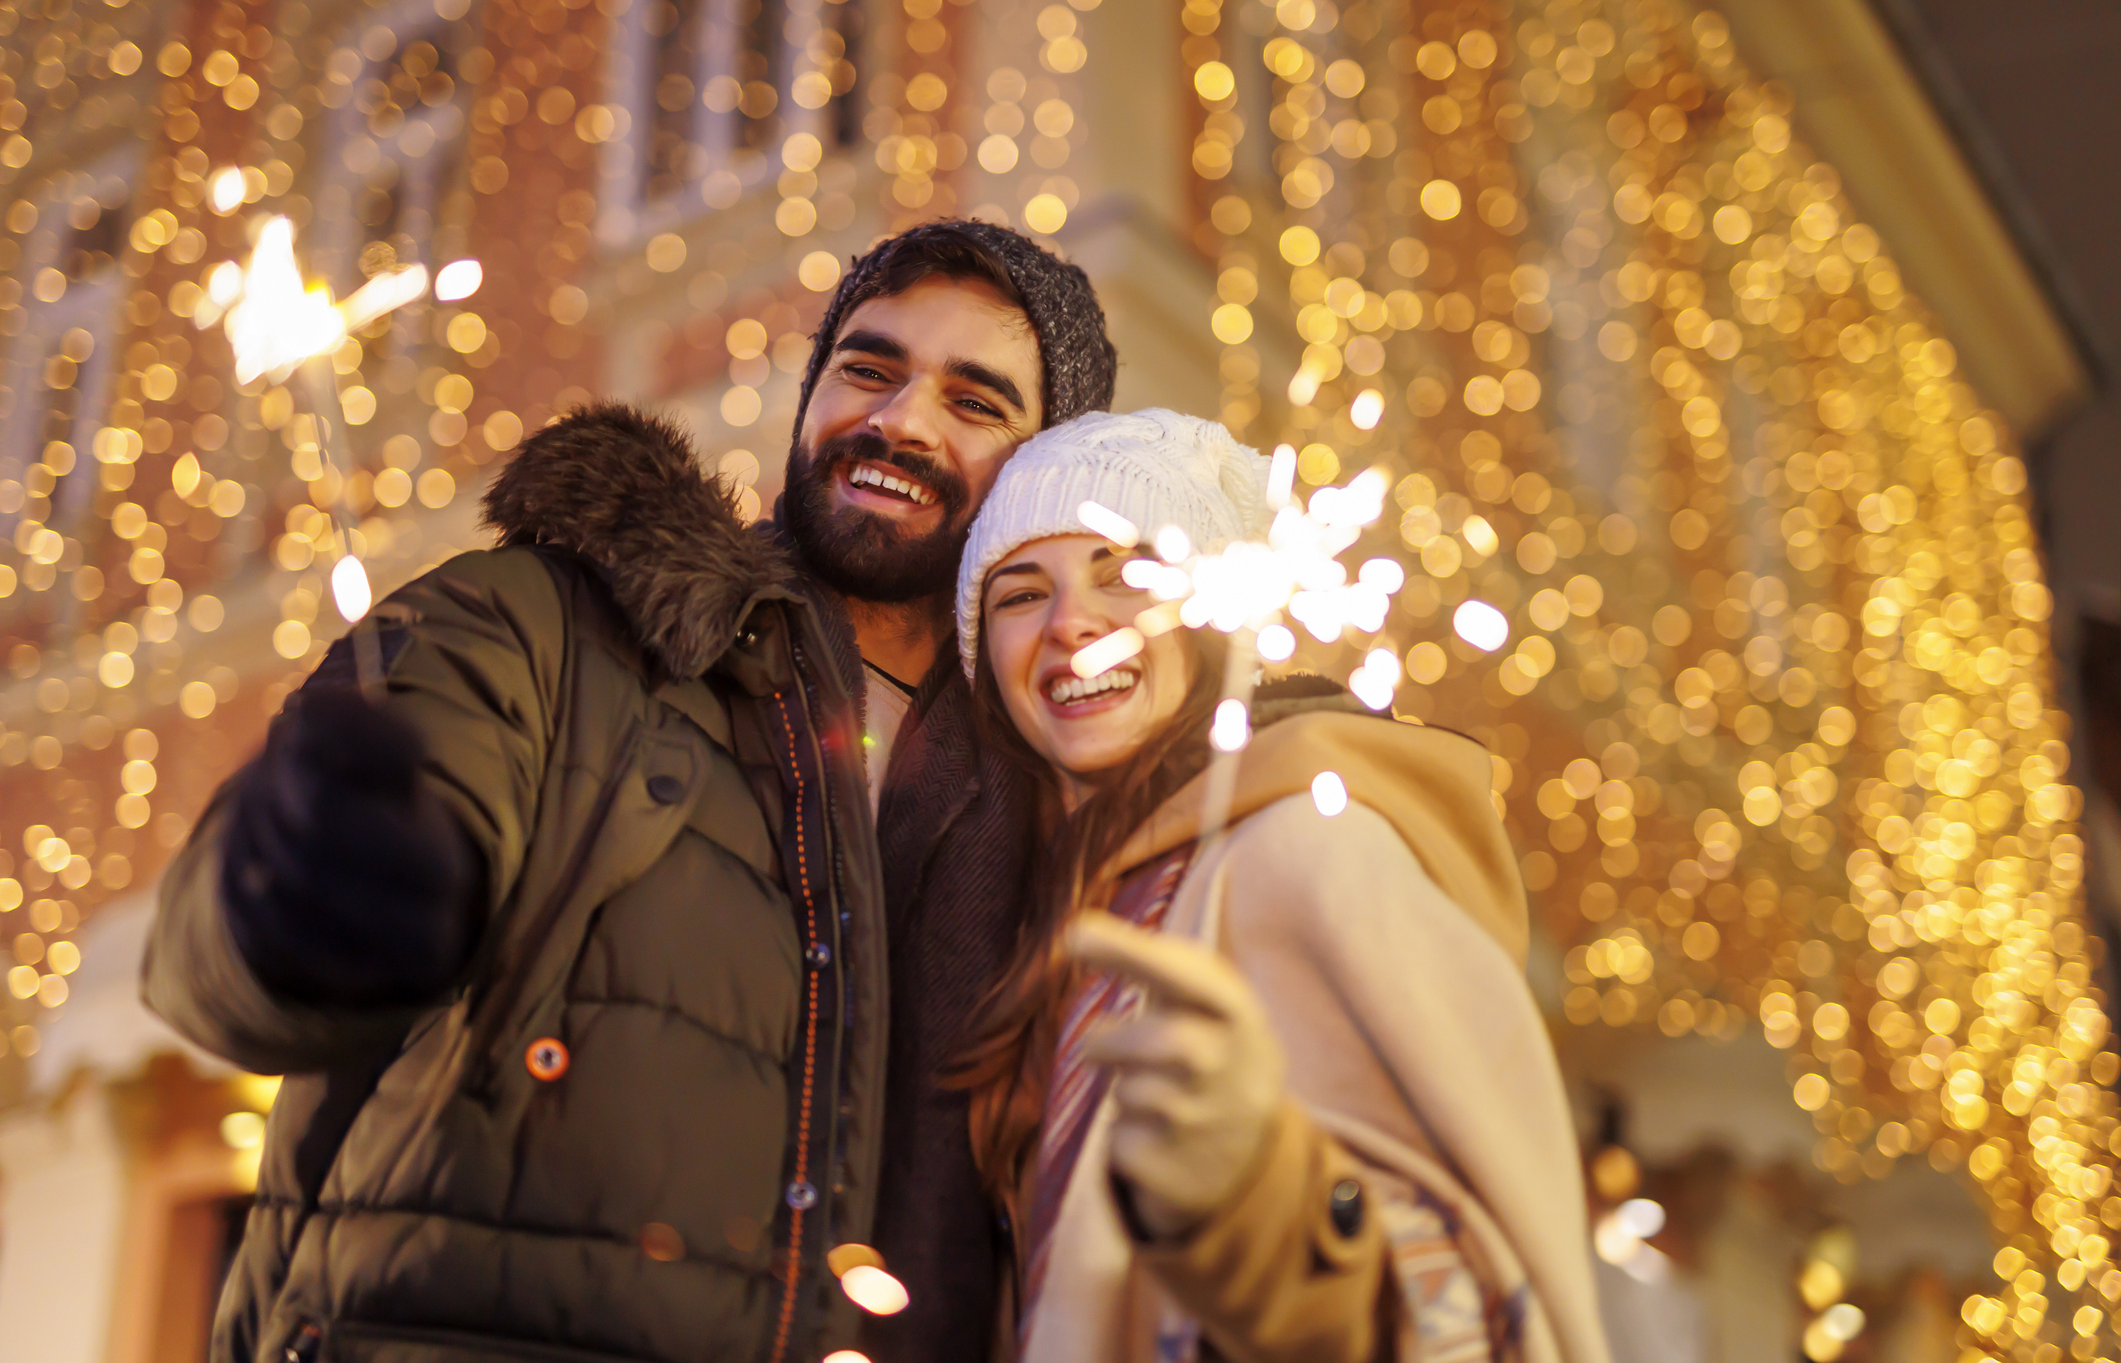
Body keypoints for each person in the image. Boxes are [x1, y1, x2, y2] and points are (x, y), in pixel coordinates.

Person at [141, 220, 1117, 1363]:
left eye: (976, 400)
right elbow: (227, 969)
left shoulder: (1073, 782)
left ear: (1047, 471)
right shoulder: (549, 624)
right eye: (869, 367)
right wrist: (305, 893)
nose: (898, 421)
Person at [952, 409, 1611, 1363]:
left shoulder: (1309, 848)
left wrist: (1255, 1199)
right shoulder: (1057, 909)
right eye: (1019, 594)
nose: (1071, 624)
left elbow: (1465, 1294)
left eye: (1125, 573)